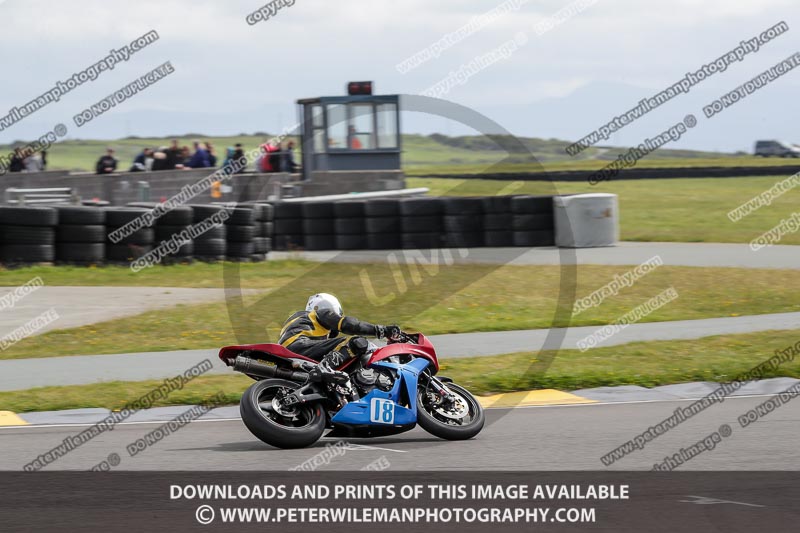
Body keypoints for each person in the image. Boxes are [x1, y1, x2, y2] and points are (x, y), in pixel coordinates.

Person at [278, 293, 400, 384]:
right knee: (355, 341)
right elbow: (350, 325)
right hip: (299, 347)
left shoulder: (302, 322)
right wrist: (381, 330)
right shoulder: (319, 313)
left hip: (290, 357)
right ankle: (324, 367)